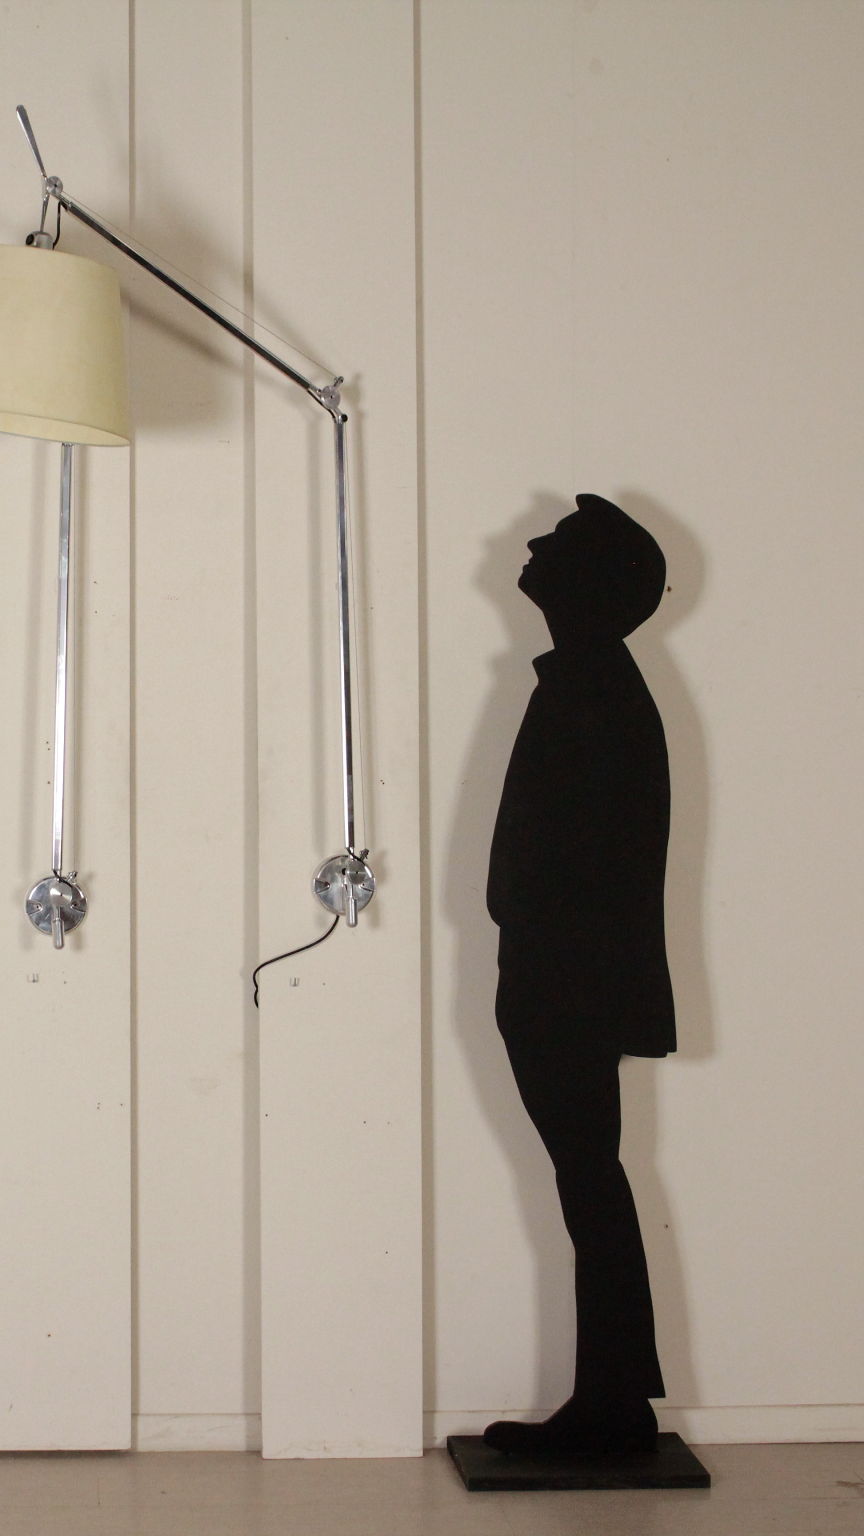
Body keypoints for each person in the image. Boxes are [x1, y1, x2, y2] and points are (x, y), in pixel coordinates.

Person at [483, 493, 673, 1456]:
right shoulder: (590, 679)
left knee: (590, 1180)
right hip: (564, 975)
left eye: (558, 542)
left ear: (589, 582)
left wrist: (534, 942)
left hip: (568, 982)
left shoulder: (593, 686)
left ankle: (613, 1405)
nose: (531, 545)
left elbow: (588, 858)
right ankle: (615, 1398)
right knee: (589, 1179)